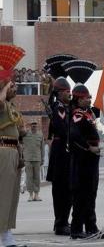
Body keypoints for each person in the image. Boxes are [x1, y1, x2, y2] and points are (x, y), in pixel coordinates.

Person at [69, 83, 104, 240]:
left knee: (91, 193)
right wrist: (88, 147)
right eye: (87, 98)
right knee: (81, 194)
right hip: (82, 158)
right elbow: (74, 135)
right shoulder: (77, 114)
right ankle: (77, 229)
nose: (90, 100)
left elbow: (101, 106)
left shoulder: (89, 112)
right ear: (79, 100)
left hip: (92, 158)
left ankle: (91, 227)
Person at [0, 43, 27, 247]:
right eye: (12, 86)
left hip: (13, 153)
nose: (15, 88)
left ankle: (6, 235)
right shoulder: (2, 104)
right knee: (2, 194)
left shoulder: (10, 106)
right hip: (1, 152)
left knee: (11, 196)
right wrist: (5, 84)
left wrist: (21, 154)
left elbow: (19, 134)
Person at [46, 76, 72, 236]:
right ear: (60, 93)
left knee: (65, 189)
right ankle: (61, 223)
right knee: (62, 189)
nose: (70, 95)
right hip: (61, 151)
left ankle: (62, 221)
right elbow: (63, 130)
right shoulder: (60, 108)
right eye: (67, 92)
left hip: (63, 150)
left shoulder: (62, 107)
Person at [22, 121, 45, 202]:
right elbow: (21, 144)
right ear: (30, 126)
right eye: (32, 125)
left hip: (37, 159)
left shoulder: (40, 135)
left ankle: (36, 194)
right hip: (28, 159)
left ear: (37, 126)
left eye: (35, 125)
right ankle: (30, 195)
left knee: (37, 177)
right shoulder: (25, 134)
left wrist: (42, 158)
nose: (34, 126)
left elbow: (42, 148)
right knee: (29, 177)